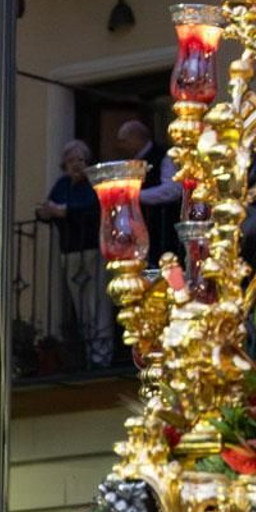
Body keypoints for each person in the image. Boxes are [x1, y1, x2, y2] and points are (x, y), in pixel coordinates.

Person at [36, 140, 114, 367]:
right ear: (64, 165)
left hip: (93, 251)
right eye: (71, 161)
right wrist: (45, 212)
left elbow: (94, 211)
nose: (76, 165)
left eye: (80, 160)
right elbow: (47, 209)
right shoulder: (62, 185)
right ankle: (91, 356)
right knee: (81, 306)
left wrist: (64, 212)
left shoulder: (94, 183)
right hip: (69, 252)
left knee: (98, 303)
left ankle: (103, 358)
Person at [116, 119, 181, 264]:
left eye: (123, 141)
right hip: (142, 233)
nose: (120, 146)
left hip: (163, 229)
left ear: (136, 138)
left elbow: (172, 190)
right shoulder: (132, 162)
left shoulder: (164, 156)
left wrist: (135, 195)